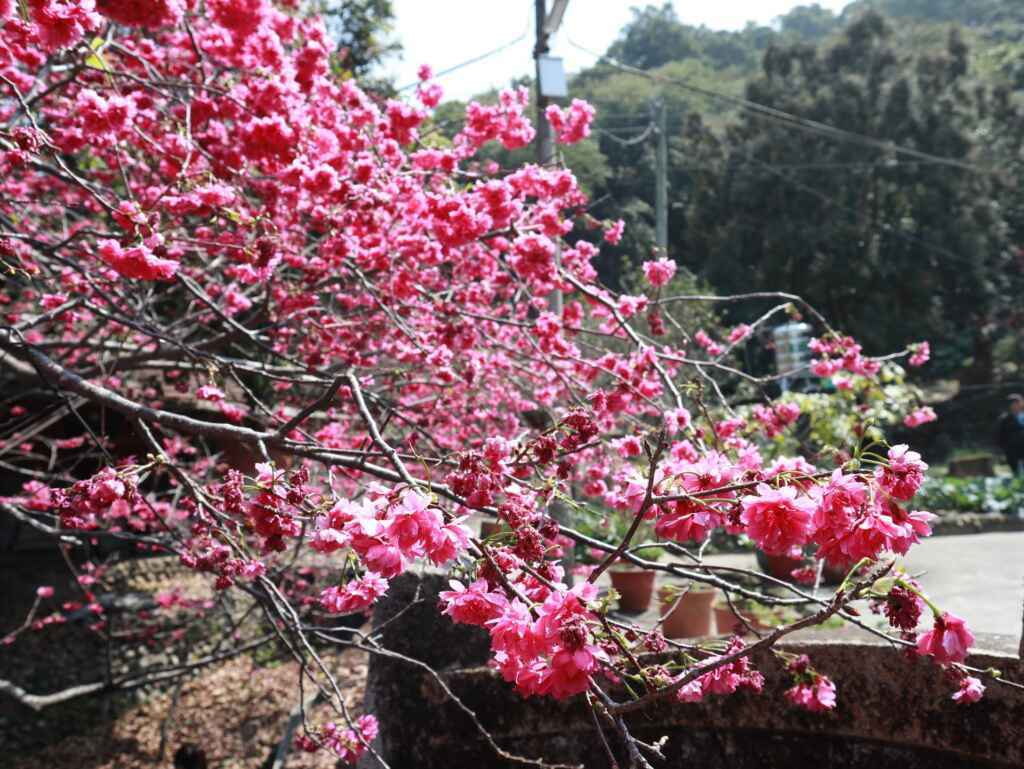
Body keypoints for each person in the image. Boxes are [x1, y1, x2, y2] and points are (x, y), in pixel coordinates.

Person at [996, 394, 1024, 476]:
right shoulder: (1004, 420)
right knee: (1017, 473)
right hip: (1012, 451)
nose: (1015, 405)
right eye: (1012, 404)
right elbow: (1000, 436)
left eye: (1017, 403)